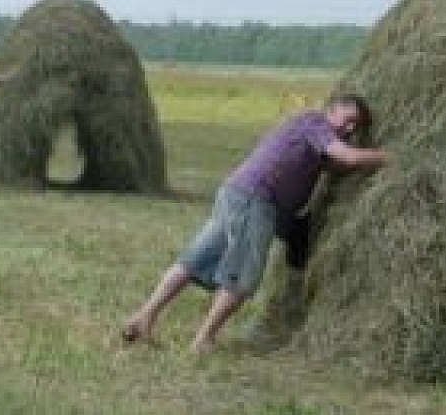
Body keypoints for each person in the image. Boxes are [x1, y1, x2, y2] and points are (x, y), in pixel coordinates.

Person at [122, 94, 392, 353]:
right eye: (348, 119)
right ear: (331, 109)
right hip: (254, 201)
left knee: (194, 260)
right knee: (242, 276)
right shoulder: (315, 122)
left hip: (235, 193)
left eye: (356, 125)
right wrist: (392, 157)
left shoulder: (316, 139)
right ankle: (203, 340)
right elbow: (348, 157)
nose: (350, 127)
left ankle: (142, 319)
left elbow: (339, 165)